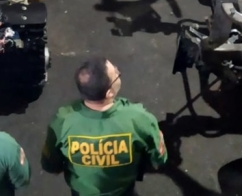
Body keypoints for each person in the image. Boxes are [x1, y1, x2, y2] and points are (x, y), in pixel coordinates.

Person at [41, 57, 168, 196]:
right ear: (109, 93)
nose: (118, 72)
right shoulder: (140, 119)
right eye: (116, 74)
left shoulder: (62, 121)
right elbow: (159, 158)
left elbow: (50, 165)